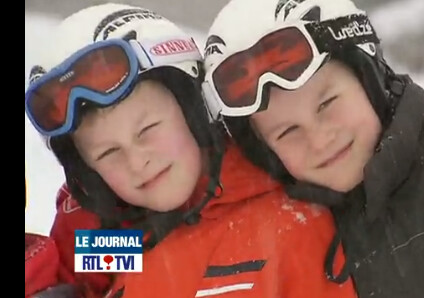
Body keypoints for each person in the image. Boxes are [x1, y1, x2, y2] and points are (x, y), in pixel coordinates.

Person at [202, 0, 424, 297]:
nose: (319, 138)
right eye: (287, 132)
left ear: (370, 78)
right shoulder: (296, 238)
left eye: (327, 104)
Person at [25, 3, 358, 298]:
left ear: (193, 110)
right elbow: (67, 268)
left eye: (147, 130)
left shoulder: (290, 223)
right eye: (107, 154)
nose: (137, 161)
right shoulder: (123, 241)